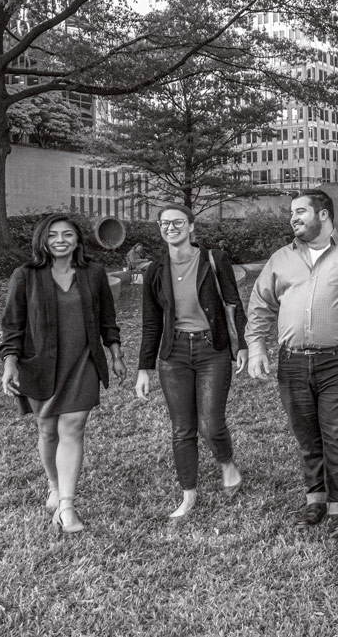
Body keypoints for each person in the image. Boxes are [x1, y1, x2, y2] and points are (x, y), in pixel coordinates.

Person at [246, 189, 338, 537]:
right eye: (291, 213)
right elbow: (259, 304)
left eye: (300, 211)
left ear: (324, 215)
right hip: (293, 363)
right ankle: (316, 500)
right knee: (307, 437)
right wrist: (256, 346)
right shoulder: (281, 259)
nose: (293, 218)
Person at [0, 214, 126, 533]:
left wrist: (115, 353)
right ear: (42, 239)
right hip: (39, 364)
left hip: (82, 361)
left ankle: (67, 506)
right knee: (48, 431)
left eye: (67, 234)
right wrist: (10, 362)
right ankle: (54, 484)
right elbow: (12, 324)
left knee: (74, 425)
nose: (60, 239)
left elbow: (107, 318)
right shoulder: (25, 275)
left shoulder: (93, 273)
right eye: (53, 234)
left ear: (77, 240)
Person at [134, 206, 247, 519]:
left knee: (210, 422)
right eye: (165, 223)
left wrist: (244, 345)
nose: (171, 227)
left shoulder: (214, 259)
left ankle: (227, 466)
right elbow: (151, 322)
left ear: (191, 226)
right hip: (175, 354)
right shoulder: (155, 270)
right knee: (182, 428)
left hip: (213, 350)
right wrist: (144, 368)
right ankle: (188, 495)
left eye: (178, 222)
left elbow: (233, 303)